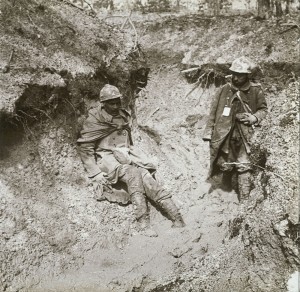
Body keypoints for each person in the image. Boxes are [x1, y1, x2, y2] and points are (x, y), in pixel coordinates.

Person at [77, 84, 185, 236]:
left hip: (124, 155)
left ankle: (177, 218)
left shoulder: (123, 115)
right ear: (103, 103)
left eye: (117, 102)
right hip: (107, 159)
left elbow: (128, 139)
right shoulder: (95, 120)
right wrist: (95, 173)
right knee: (134, 173)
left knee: (147, 178)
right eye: (111, 103)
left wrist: (130, 154)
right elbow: (85, 147)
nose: (115, 106)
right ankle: (143, 222)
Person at [202, 56, 268, 201]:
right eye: (234, 74)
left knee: (244, 166)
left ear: (247, 75)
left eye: (240, 75)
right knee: (225, 163)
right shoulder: (224, 90)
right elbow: (213, 112)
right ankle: (227, 189)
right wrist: (208, 132)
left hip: (246, 135)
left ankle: (244, 201)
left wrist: (254, 118)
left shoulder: (256, 90)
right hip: (225, 134)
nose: (236, 78)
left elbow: (263, 110)